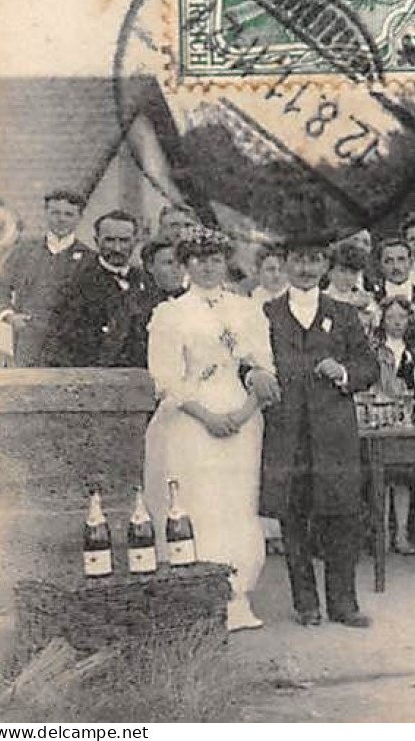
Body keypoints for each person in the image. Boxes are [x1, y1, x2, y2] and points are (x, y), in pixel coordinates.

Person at [144, 226, 280, 631]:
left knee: (236, 503)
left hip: (241, 417)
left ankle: (236, 594)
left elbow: (264, 366)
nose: (207, 266)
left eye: (215, 259)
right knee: (196, 501)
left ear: (226, 263)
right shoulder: (171, 314)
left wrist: (243, 412)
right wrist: (206, 416)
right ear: (186, 265)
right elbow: (166, 377)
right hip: (191, 419)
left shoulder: (247, 309)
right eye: (198, 259)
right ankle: (194, 596)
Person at [260, 237, 379, 628]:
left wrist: (343, 372)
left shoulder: (343, 314)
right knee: (294, 518)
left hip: (334, 433)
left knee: (342, 517)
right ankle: (306, 604)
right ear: (285, 263)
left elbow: (368, 366)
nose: (307, 268)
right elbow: (251, 363)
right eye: (299, 260)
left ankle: (343, 604)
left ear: (326, 264)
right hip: (287, 431)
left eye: (315, 260)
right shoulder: (265, 313)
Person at [0, 188, 93, 366]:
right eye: (55, 213)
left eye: (68, 214)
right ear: (46, 214)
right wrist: (9, 316)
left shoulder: (90, 258)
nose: (61, 219)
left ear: (79, 217)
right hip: (29, 343)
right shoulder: (25, 251)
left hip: (72, 347)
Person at [42, 209, 147, 368]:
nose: (117, 248)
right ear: (96, 241)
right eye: (109, 240)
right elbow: (62, 346)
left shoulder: (147, 281)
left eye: (124, 240)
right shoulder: (76, 285)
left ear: (136, 241)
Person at [373, 296, 415, 555]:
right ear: (382, 320)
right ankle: (381, 532)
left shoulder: (413, 350)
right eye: (391, 317)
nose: (396, 323)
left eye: (402, 317)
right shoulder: (374, 348)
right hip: (379, 413)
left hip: (405, 415)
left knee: (403, 478)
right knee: (380, 477)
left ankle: (402, 533)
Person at [371, 236, 415, 306]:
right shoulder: (372, 298)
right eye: (388, 261)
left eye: (401, 260)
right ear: (380, 265)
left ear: (411, 263)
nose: (396, 267)